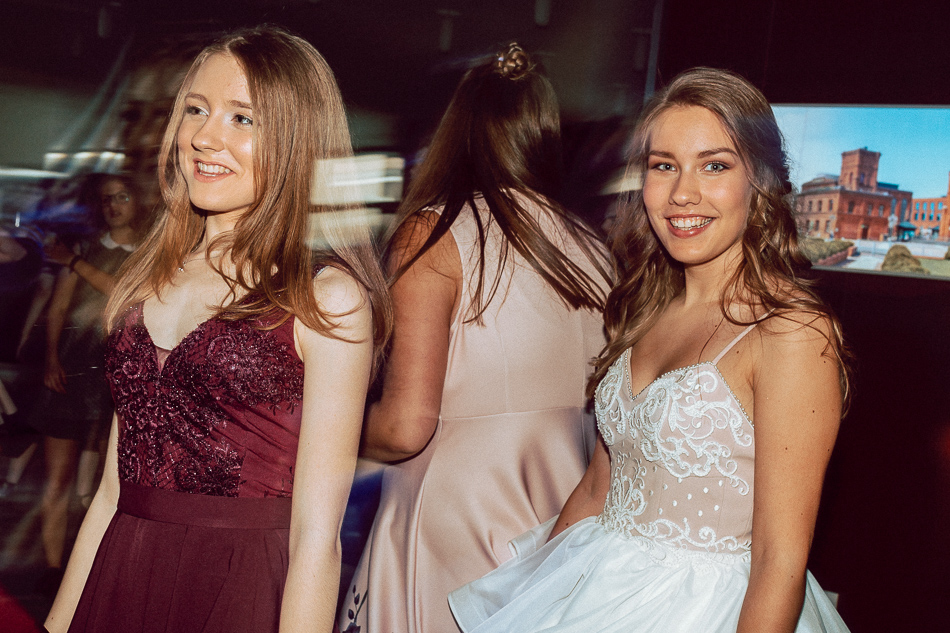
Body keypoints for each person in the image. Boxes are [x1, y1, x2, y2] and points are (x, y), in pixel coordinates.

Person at [449, 67, 851, 632]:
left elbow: (778, 559)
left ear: (759, 180)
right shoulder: (645, 309)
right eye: (664, 166)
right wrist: (527, 603)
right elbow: (597, 488)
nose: (682, 193)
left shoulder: (791, 333)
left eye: (715, 166)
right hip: (599, 590)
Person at [45, 26, 390, 633]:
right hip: (121, 573)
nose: (205, 136)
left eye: (242, 119)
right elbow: (110, 495)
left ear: (296, 139)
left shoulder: (326, 298)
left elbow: (316, 538)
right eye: (196, 110)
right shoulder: (148, 278)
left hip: (239, 589)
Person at [342, 43, 610, 633]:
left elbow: (406, 426)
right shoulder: (593, 249)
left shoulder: (434, 234)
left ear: (453, 132)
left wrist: (322, 426)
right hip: (562, 523)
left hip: (454, 523)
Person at [26, 173, 142, 592]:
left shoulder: (148, 253)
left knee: (110, 484)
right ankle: (52, 568)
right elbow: (58, 309)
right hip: (72, 372)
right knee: (58, 478)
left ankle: (97, 569)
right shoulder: (84, 247)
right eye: (107, 198)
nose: (113, 205)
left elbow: (123, 293)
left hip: (121, 376)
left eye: (122, 196)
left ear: (137, 202)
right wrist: (51, 358)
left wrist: (72, 262)